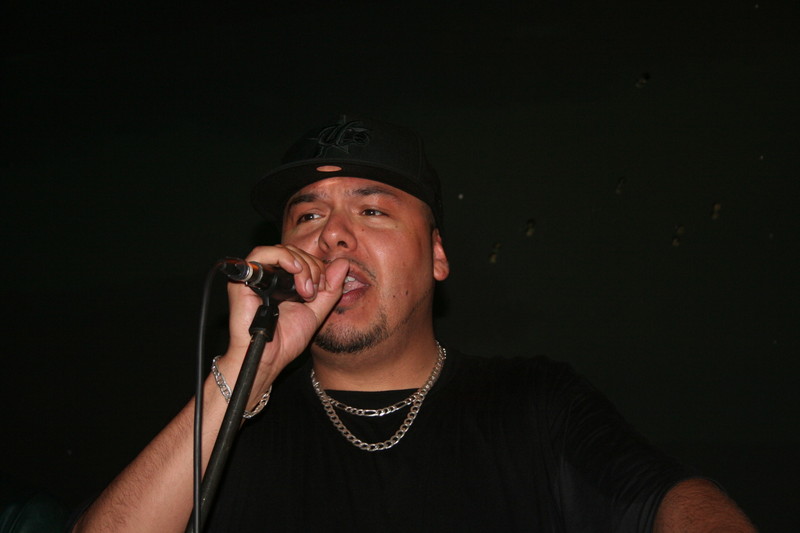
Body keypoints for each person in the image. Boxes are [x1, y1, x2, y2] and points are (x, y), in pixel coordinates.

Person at [72, 115, 756, 532]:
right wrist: (242, 373)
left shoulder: (532, 402)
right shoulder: (235, 421)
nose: (332, 235)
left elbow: (668, 500)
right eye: (307, 214)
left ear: (436, 256)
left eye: (371, 210)